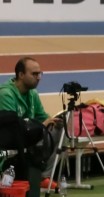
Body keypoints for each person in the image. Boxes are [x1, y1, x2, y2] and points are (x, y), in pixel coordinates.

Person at [0, 57, 61, 185]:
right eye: (34, 74)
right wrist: (40, 127)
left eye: (39, 73)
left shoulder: (32, 93)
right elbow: (10, 130)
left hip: (27, 137)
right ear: (21, 75)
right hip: (9, 141)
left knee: (58, 129)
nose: (38, 77)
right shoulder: (6, 94)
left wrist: (54, 121)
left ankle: (42, 177)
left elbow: (42, 116)